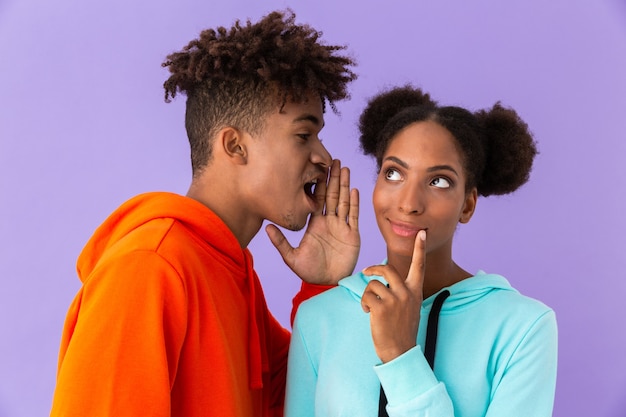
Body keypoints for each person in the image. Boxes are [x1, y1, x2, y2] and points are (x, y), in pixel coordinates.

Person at [50, 9, 359, 417]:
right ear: (234, 146)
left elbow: (301, 401)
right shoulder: (149, 268)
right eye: (304, 135)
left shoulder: (233, 273)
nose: (323, 157)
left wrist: (323, 286)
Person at [285, 85, 558, 416]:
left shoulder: (523, 327)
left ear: (467, 205)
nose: (409, 203)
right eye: (394, 173)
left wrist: (401, 356)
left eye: (438, 181)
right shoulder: (319, 318)